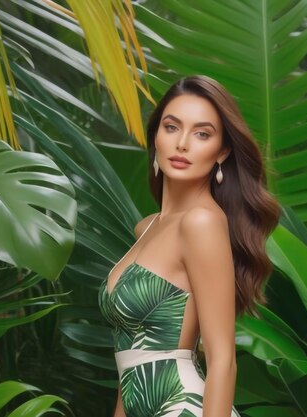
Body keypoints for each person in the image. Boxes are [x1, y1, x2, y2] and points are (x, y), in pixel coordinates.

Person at [99, 75, 280, 417]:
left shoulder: (202, 223)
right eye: (171, 127)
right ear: (156, 136)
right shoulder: (147, 227)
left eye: (202, 134)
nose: (182, 143)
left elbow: (222, 359)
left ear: (222, 151)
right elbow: (133, 365)